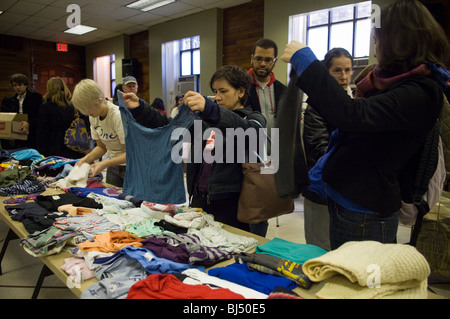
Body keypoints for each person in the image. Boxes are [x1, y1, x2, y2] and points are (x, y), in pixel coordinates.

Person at [281, 0, 450, 249]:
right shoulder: (396, 84)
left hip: (365, 210)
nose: (374, 46)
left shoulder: (420, 92)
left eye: (378, 39)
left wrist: (304, 59)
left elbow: (351, 116)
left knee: (358, 282)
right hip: (349, 200)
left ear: (398, 41)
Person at [121, 65, 266, 234]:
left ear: (241, 92)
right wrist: (140, 108)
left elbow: (248, 132)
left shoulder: (254, 119)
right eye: (215, 91)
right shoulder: (205, 122)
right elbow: (169, 126)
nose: (218, 97)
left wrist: (211, 110)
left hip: (234, 206)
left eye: (223, 91)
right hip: (200, 201)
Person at [302, 48, 354, 251]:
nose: (344, 76)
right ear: (326, 73)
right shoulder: (316, 105)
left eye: (348, 70)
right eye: (337, 71)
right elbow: (320, 149)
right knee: (319, 250)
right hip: (320, 190)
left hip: (346, 192)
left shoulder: (354, 103)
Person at [71, 79, 126, 187]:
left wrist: (104, 164)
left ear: (99, 100)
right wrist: (86, 160)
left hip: (132, 167)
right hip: (113, 165)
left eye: (87, 108)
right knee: (112, 198)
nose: (87, 113)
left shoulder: (117, 116)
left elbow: (132, 153)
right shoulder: (94, 117)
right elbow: (101, 147)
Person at [247, 38, 287, 144]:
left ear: (275, 62)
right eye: (258, 59)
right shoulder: (240, 88)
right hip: (250, 154)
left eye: (268, 60)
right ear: (252, 59)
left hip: (277, 153)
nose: (263, 64)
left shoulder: (283, 91)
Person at [36, 77, 86, 159]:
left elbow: (42, 132)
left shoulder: (45, 107)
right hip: (73, 144)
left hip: (53, 145)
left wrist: (41, 151)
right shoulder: (72, 105)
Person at [1, 73, 42, 150]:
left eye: (20, 85)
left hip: (32, 134)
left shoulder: (36, 97)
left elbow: (40, 117)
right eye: (15, 85)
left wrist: (29, 123)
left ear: (26, 85)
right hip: (17, 134)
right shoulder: (11, 100)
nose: (17, 87)